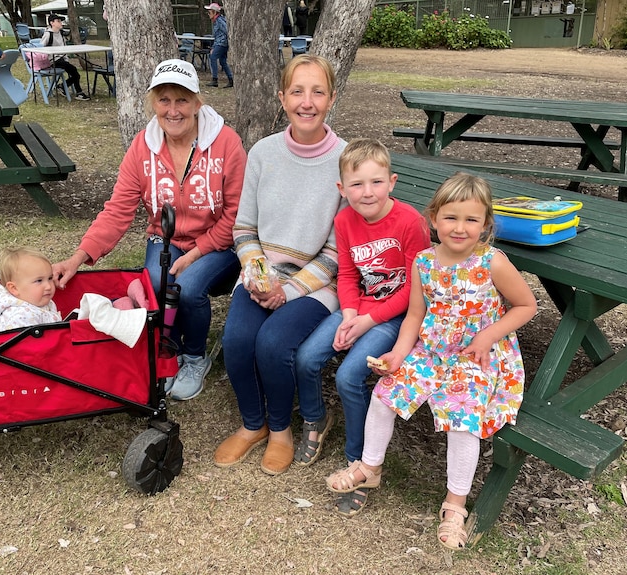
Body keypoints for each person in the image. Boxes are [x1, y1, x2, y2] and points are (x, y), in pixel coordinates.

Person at [325, 172, 537, 549]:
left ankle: (455, 504)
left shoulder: (492, 262)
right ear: (434, 218)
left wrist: (487, 335)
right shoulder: (423, 262)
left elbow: (526, 305)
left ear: (485, 224)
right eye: (451, 218)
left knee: (463, 420)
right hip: (432, 350)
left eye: (471, 220)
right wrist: (398, 354)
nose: (460, 228)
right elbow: (414, 316)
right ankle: (370, 467)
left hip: (478, 354)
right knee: (384, 394)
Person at [52, 59, 246, 401]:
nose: (173, 110)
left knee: (186, 287)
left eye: (182, 100)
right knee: (154, 288)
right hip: (166, 237)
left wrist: (199, 251)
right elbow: (117, 210)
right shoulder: (143, 147)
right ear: (152, 103)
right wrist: (78, 258)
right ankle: (167, 346)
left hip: (220, 243)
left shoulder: (227, 143)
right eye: (164, 100)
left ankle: (194, 356)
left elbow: (237, 214)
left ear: (198, 102)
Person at [214, 55, 347, 476]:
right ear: (282, 97)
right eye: (297, 91)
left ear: (331, 98)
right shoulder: (263, 153)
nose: (307, 102)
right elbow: (244, 228)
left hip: (316, 282)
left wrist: (287, 292)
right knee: (235, 342)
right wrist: (258, 277)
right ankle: (252, 424)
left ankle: (279, 431)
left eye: (317, 91)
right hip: (261, 275)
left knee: (273, 344)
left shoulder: (345, 160)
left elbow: (337, 252)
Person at [295, 138, 431, 513]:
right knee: (307, 357)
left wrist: (369, 319)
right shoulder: (344, 220)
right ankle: (316, 418)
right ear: (342, 189)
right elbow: (348, 275)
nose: (366, 192)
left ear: (392, 181)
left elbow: (415, 289)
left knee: (349, 377)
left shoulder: (411, 222)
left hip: (396, 317)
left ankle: (361, 463)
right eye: (356, 184)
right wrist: (351, 314)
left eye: (375, 182)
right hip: (358, 310)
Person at [0, 247, 62, 331]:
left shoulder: (37, 301)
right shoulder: (20, 317)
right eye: (39, 280)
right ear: (14, 288)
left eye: (50, 278)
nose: (48, 286)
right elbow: (25, 344)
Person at [40, 14, 90, 101]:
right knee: (74, 71)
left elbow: (64, 47)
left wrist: (66, 58)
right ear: (52, 23)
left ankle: (63, 86)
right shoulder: (48, 34)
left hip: (62, 60)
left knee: (75, 73)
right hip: (52, 61)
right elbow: (40, 48)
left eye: (61, 21)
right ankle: (78, 92)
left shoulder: (61, 33)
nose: (61, 23)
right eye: (58, 21)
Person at [204, 3, 233, 89]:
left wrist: (215, 47)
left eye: (209, 12)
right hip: (222, 43)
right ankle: (231, 79)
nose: (208, 14)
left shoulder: (219, 21)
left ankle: (215, 79)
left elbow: (227, 31)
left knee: (212, 57)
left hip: (221, 43)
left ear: (214, 12)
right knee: (222, 62)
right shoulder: (217, 21)